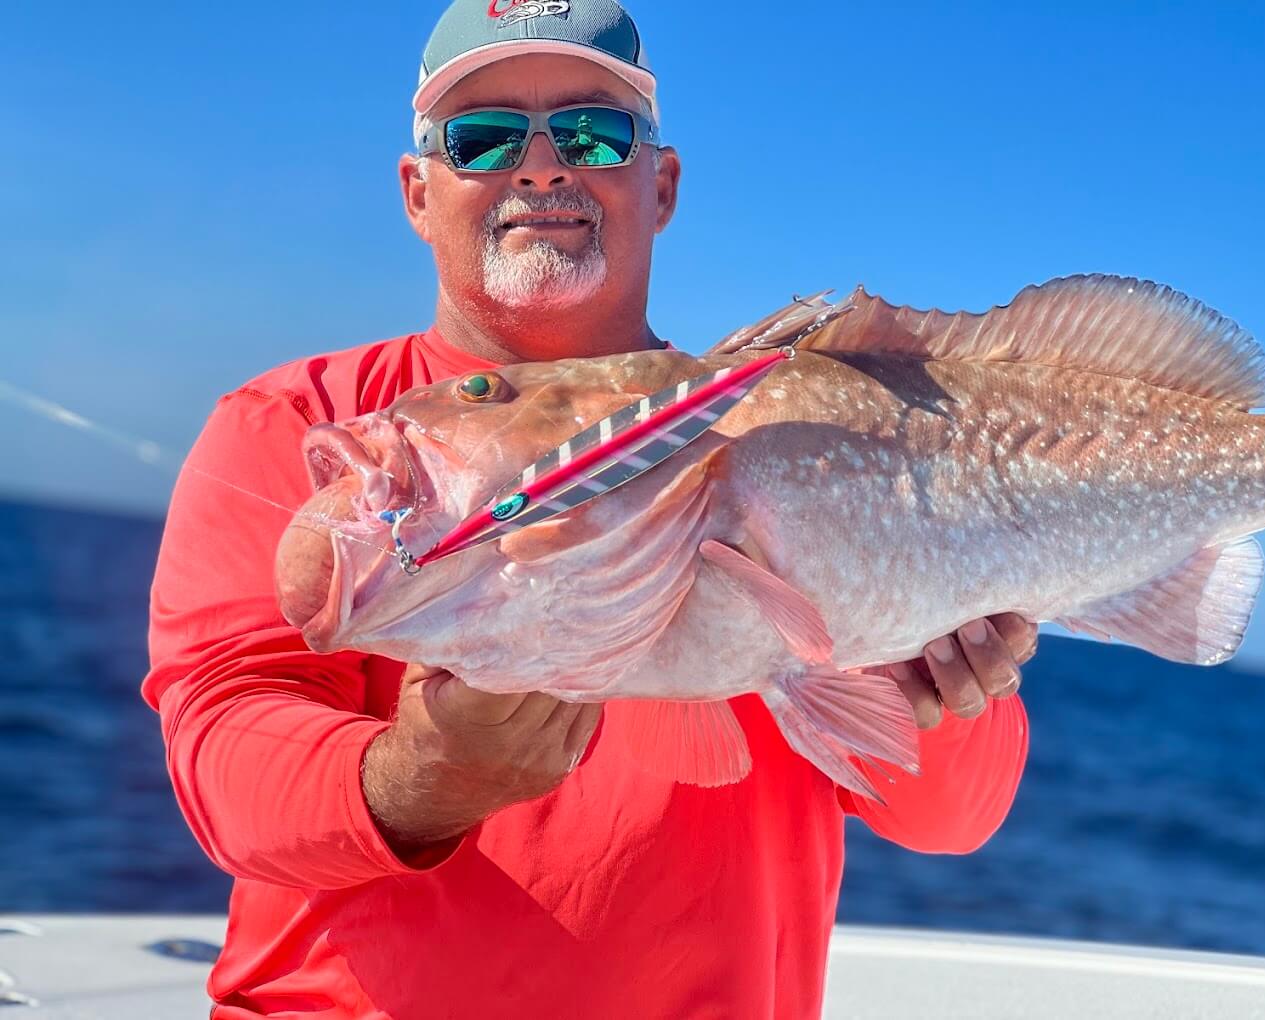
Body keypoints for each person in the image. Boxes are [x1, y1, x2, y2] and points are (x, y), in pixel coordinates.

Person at [143, 1, 1034, 1016]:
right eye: (481, 138)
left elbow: (954, 818)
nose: (539, 167)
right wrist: (421, 776)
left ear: (659, 185)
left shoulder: (814, 440)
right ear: (418, 192)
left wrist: (947, 694)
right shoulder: (300, 423)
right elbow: (224, 757)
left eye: (591, 133)